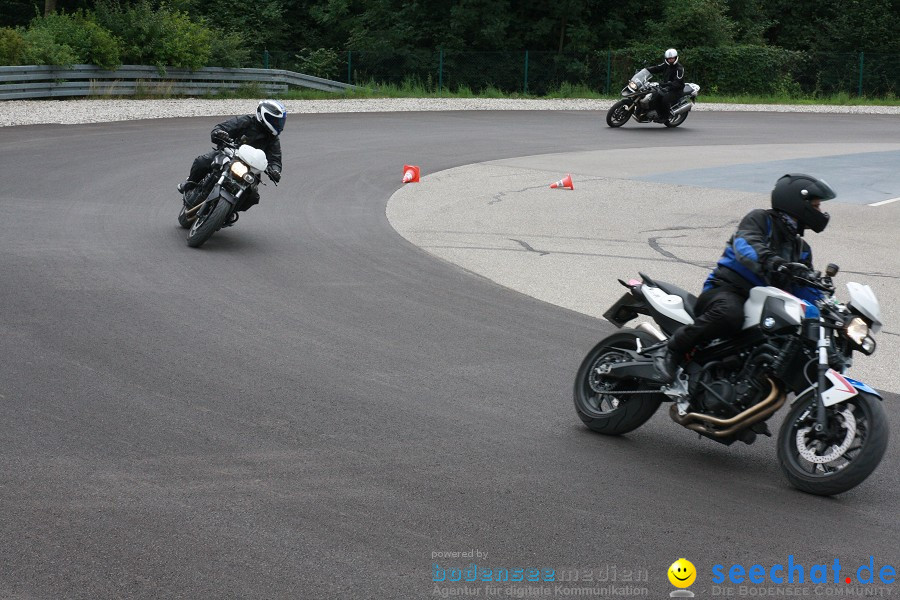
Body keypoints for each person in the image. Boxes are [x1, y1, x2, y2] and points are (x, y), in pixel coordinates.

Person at [654, 173, 836, 383]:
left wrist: (828, 305)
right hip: (728, 289)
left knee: (790, 340)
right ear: (797, 202)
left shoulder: (801, 249)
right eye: (815, 206)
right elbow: (747, 246)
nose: (820, 212)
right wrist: (775, 262)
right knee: (730, 314)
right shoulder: (760, 220)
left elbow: (803, 286)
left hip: (765, 303)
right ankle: (671, 350)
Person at [178, 99, 286, 222]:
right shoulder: (245, 121)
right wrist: (220, 133)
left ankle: (229, 211)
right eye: (275, 121)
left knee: (253, 196)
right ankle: (189, 183)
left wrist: (275, 170)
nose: (278, 124)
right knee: (202, 161)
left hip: (251, 170)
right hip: (229, 155)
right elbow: (221, 127)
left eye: (280, 122)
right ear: (263, 115)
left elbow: (275, 159)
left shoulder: (273, 139)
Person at [646, 48, 684, 121]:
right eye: (669, 58)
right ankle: (655, 113)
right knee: (654, 97)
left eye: (672, 58)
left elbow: (677, 81)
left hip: (676, 89)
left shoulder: (679, 68)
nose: (670, 60)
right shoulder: (665, 64)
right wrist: (645, 69)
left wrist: (667, 86)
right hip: (666, 87)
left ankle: (665, 116)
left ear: (675, 58)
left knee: (665, 99)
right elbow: (656, 68)